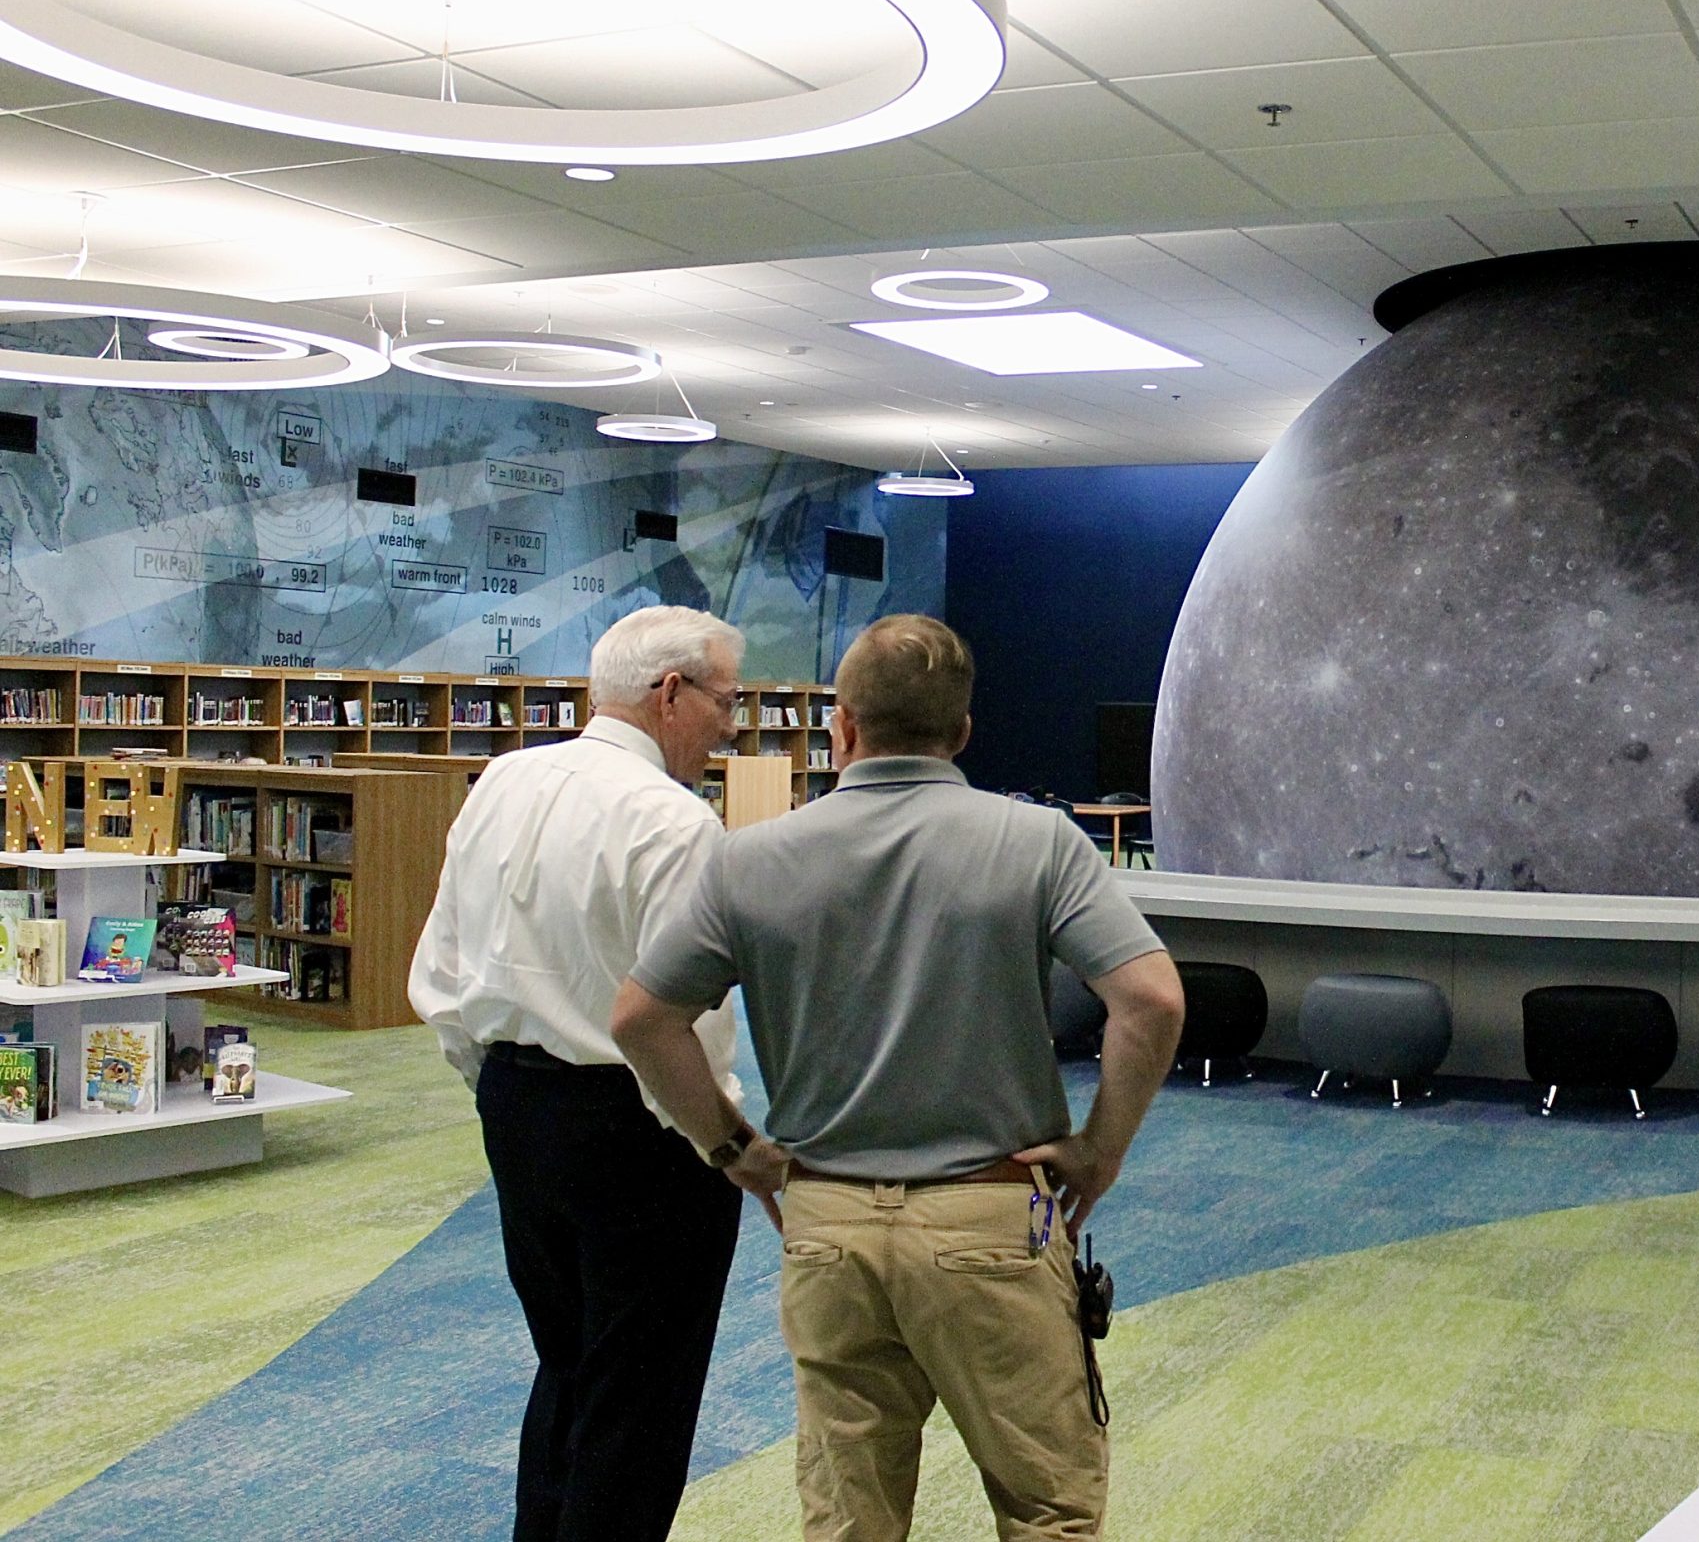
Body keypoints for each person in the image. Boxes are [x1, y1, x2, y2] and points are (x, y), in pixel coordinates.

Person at [613, 613, 1185, 1541]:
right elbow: (1151, 1001)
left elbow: (642, 1019)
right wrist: (1098, 1151)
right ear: (962, 731)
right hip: (993, 1217)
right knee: (1048, 1507)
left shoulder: (748, 857)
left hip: (826, 1227)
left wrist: (734, 1150)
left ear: (842, 726)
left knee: (849, 1517)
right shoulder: (1038, 842)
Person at [408, 606, 756, 1542]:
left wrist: (498, 1081)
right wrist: (727, 1145)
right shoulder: (676, 822)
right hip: (643, 1129)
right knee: (639, 1402)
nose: (733, 727)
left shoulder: (504, 780)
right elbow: (687, 1025)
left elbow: (442, 964)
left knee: (565, 1366)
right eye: (727, 701)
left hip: (516, 1106)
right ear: (671, 693)